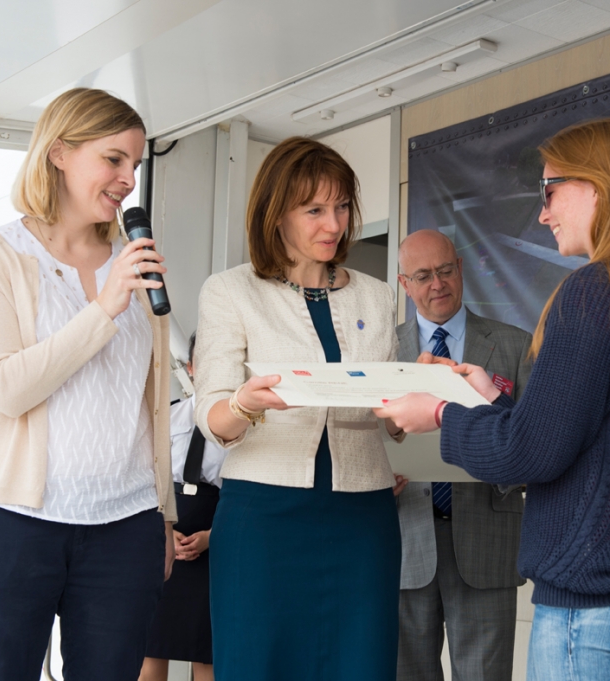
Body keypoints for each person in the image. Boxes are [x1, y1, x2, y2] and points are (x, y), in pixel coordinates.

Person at [377, 118, 610, 681]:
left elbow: (530, 454)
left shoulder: (591, 290)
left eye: (550, 193)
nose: (543, 213)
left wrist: (438, 413)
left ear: (595, 188)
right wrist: (488, 404)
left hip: (591, 597)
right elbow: (570, 437)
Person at [0, 87, 176, 681]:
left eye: (136, 164)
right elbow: (7, 388)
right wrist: (104, 308)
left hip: (127, 530)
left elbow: (151, 405)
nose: (128, 179)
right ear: (59, 153)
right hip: (10, 524)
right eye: (114, 159)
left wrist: (164, 517)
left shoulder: (134, 261)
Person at [193, 136, 406, 680]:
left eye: (340, 207)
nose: (332, 224)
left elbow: (396, 422)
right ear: (276, 214)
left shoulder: (378, 297)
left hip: (364, 515)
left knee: (361, 664)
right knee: (259, 663)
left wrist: (414, 391)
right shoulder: (230, 291)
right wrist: (244, 404)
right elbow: (213, 418)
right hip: (264, 517)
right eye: (314, 209)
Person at [394, 229, 531, 681]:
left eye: (446, 270)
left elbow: (533, 443)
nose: (438, 284)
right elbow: (364, 439)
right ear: (404, 284)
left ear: (462, 269)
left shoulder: (514, 346)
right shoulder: (384, 351)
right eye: (423, 275)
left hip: (486, 541)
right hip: (404, 541)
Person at [141, 332, 223, 681]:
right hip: (163, 541)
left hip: (216, 544)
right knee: (149, 653)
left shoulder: (253, 428)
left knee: (206, 656)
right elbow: (146, 482)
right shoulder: (166, 417)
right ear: (191, 367)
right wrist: (164, 534)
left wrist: (212, 536)